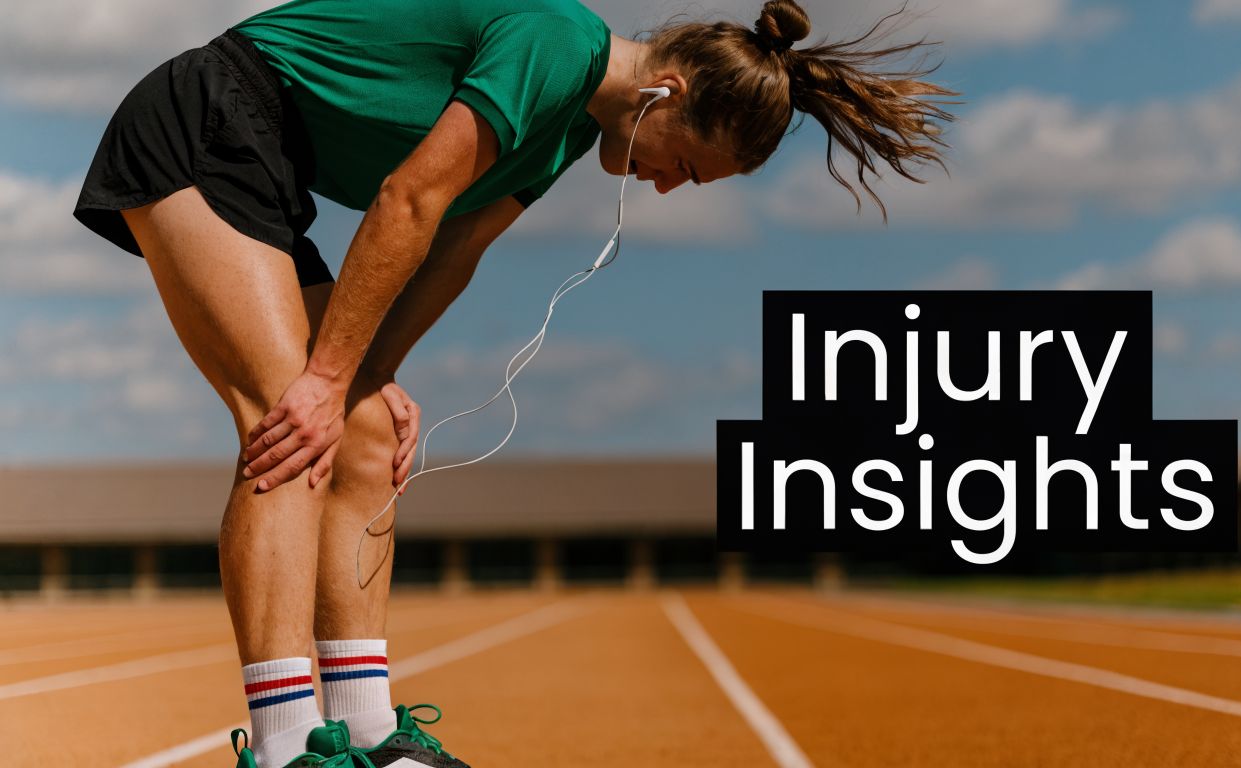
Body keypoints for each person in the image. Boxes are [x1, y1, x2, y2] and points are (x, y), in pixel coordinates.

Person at [72, 0, 953, 765]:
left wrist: (371, 375)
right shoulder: (555, 43)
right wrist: (326, 377)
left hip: (269, 166)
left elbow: (457, 248)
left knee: (367, 429)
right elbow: (409, 203)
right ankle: (282, 745)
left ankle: (367, 729)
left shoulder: (571, 127)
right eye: (686, 164)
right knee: (288, 416)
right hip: (205, 117)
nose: (670, 188)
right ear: (668, 95)